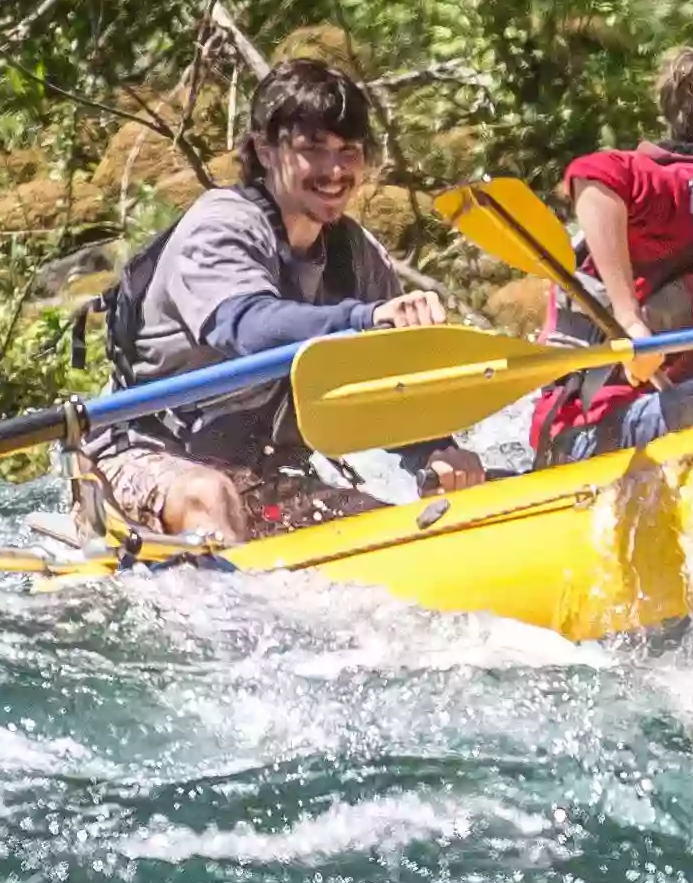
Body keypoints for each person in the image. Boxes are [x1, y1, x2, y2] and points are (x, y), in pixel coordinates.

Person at [92, 60, 487, 542]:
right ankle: (231, 613)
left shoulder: (355, 255)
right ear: (265, 148)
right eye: (312, 150)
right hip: (139, 459)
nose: (335, 170)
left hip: (260, 479)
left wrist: (435, 450)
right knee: (210, 496)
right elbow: (247, 327)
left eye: (348, 151)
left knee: (406, 533)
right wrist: (364, 319)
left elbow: (389, 381)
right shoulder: (220, 227)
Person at [526, 38, 693, 468]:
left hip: (660, 410)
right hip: (589, 433)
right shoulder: (688, 185)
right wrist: (629, 320)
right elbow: (592, 175)